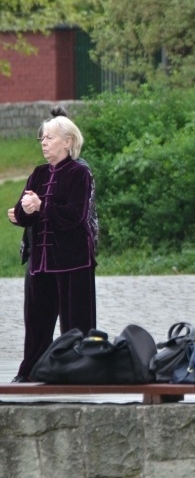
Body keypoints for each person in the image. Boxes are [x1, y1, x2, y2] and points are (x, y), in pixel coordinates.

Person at [11, 107, 97, 382]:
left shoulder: (79, 173)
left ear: (67, 141)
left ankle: (79, 371)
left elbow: (75, 215)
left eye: (49, 138)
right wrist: (21, 212)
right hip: (41, 261)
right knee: (36, 321)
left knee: (77, 323)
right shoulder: (38, 173)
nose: (44, 143)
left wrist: (41, 206)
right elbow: (24, 212)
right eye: (42, 139)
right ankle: (31, 371)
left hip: (73, 260)